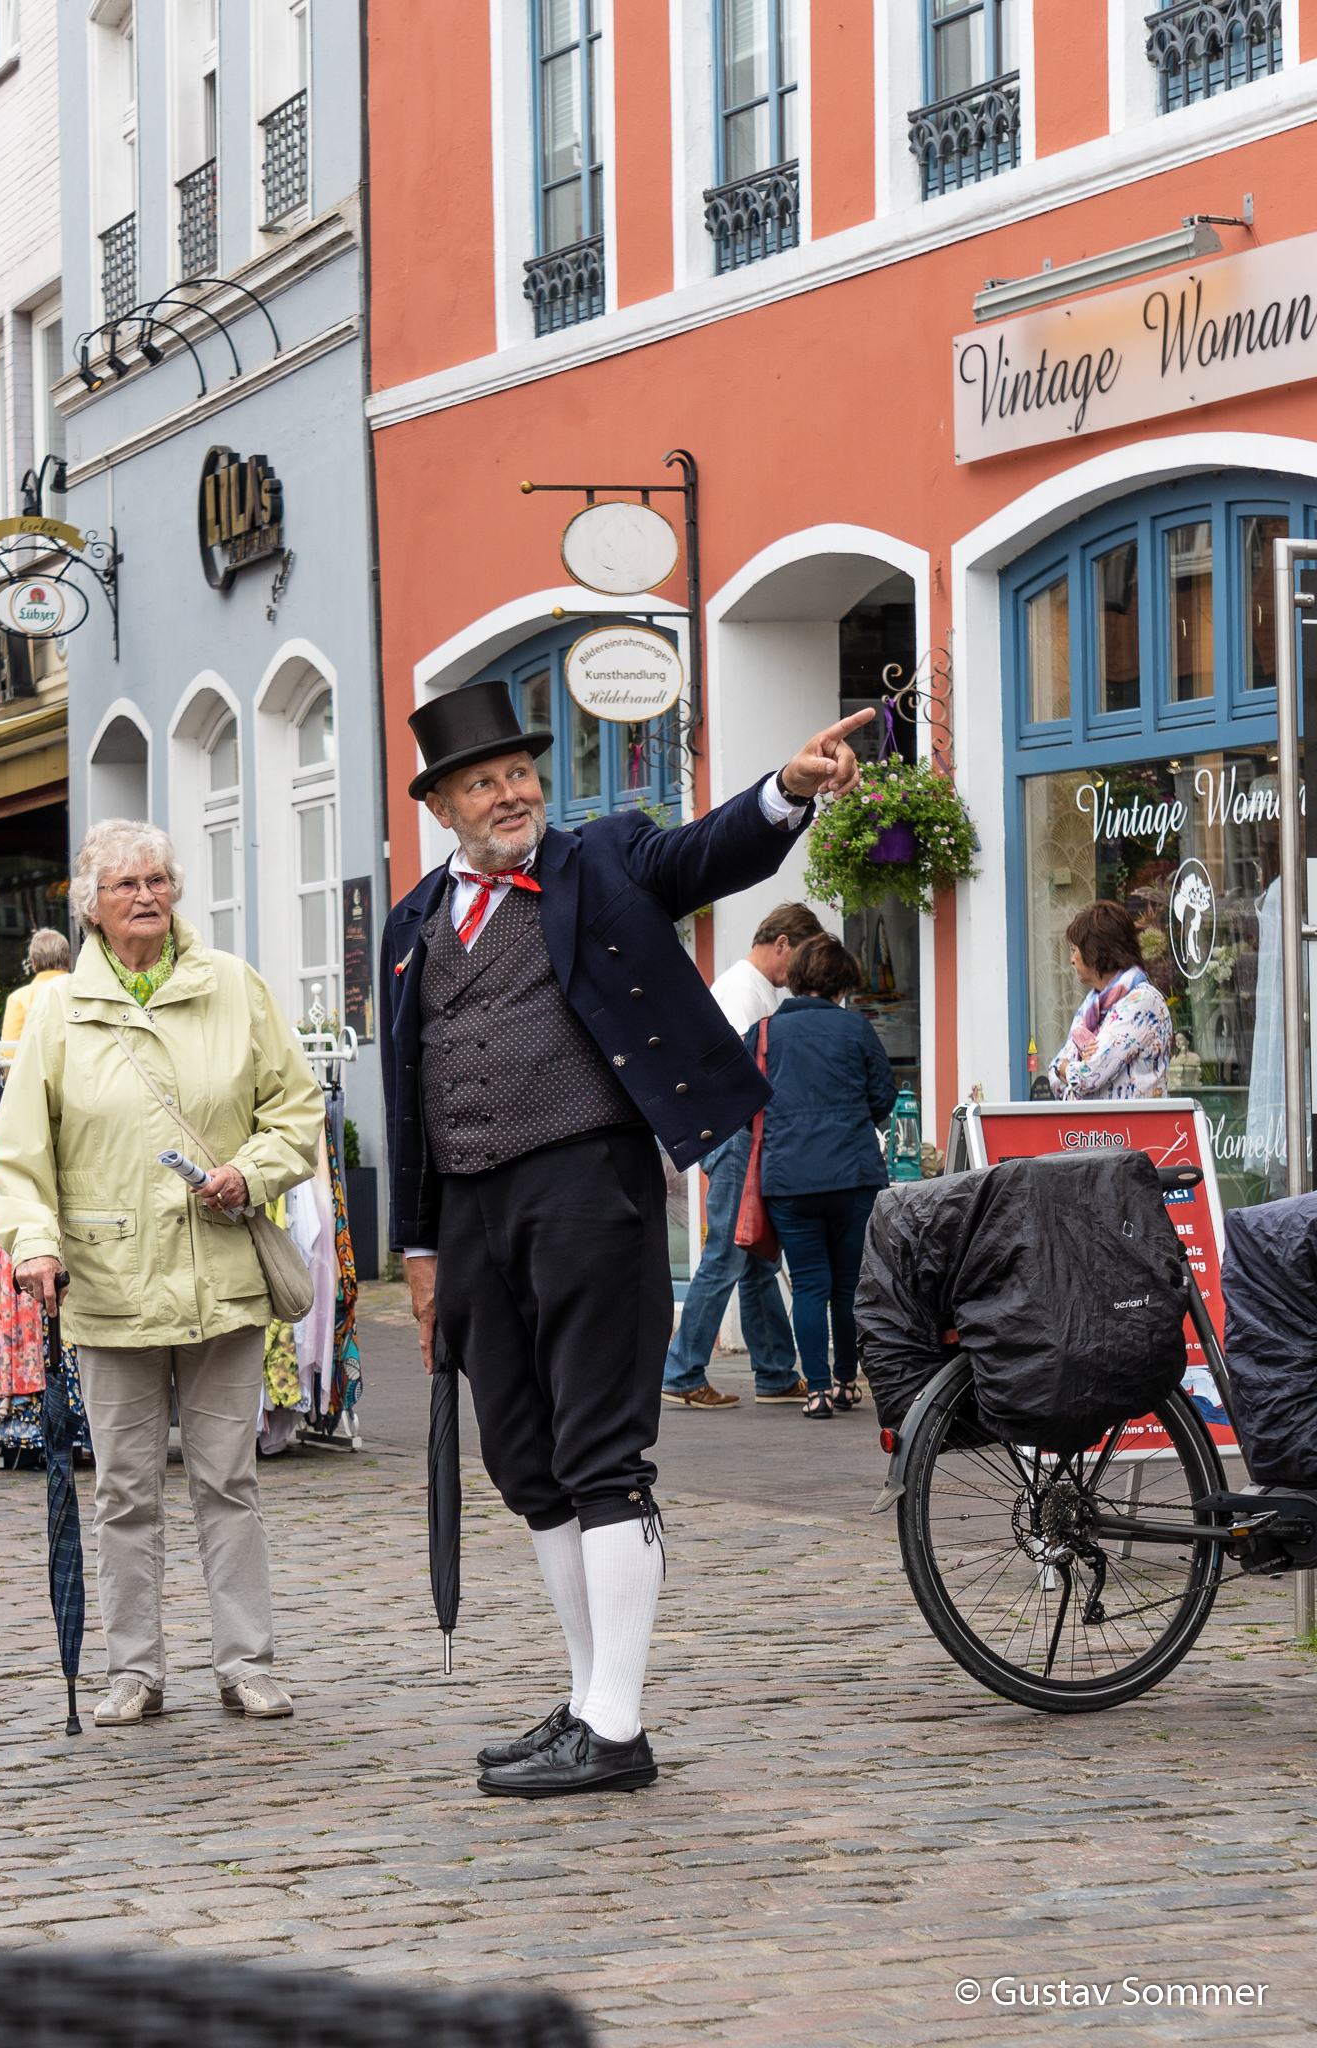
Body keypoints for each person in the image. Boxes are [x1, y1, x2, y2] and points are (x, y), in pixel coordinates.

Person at [381, 678, 870, 1798]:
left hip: (587, 1184)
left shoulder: (601, 856)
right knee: (527, 1461)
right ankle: (590, 1695)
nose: (511, 793)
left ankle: (616, 1722)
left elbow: (705, 853)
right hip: (467, 1213)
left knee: (602, 1451)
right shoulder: (414, 923)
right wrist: (417, 1252)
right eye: (484, 780)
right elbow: (407, 1093)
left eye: (520, 773)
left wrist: (787, 790)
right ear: (445, 802)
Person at [0, 820, 324, 1727]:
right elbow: (19, 1159)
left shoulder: (233, 988)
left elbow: (296, 1111)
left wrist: (247, 1173)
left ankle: (246, 1662)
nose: (147, 894)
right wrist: (35, 1246)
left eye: (160, 879)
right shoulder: (59, 1012)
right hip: (109, 1285)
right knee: (125, 1490)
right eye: (127, 883)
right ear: (90, 906)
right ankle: (133, 1669)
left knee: (229, 1481)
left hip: (220, 1279)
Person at [660, 904, 822, 1411]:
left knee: (754, 1253)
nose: (796, 973)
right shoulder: (742, 991)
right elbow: (738, 1076)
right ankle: (682, 1369)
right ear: (781, 944)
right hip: (734, 1135)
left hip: (735, 1135)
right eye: (797, 958)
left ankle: (774, 1371)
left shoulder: (752, 988)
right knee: (729, 1254)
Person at [747, 934, 897, 1422]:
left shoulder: (765, 1032)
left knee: (809, 1284)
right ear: (841, 983)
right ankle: (847, 1380)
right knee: (849, 1285)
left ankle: (815, 1391)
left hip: (789, 1178)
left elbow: (744, 1099)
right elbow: (884, 1096)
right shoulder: (857, 1029)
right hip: (853, 1173)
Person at [1048, 900, 1172, 1101]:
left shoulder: (1142, 1001)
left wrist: (1064, 1068)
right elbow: (1054, 1079)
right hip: (1094, 1131)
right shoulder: (1091, 1005)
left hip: (1134, 1130)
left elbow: (1088, 1077)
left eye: (1075, 950)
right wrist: (1065, 1068)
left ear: (1095, 951)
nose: (1072, 960)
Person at [0, 929, 72, 1057]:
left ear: (33, 963)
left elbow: (10, 1053)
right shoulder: (86, 991)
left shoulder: (19, 999)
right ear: (69, 960)